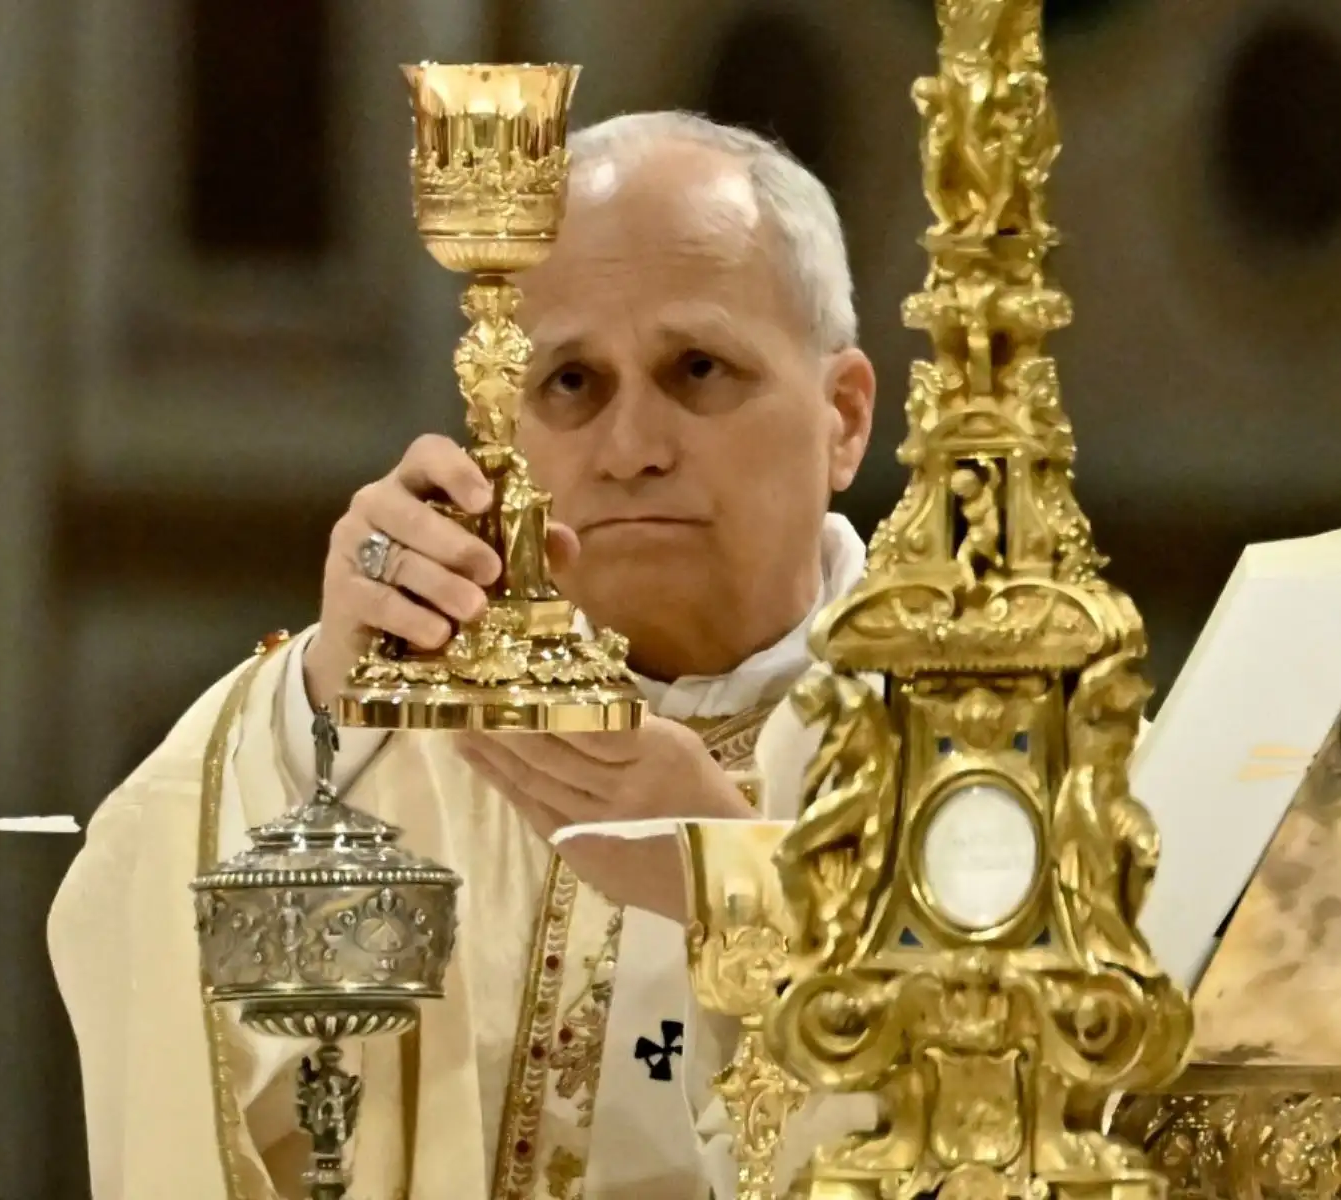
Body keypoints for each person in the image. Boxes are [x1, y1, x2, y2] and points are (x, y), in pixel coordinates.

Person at [48, 111, 882, 1200]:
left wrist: (734, 881)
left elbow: (1053, 1114)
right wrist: (321, 721)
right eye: (571, 385)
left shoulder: (996, 748)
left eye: (698, 368)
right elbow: (136, 939)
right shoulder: (414, 732)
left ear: (845, 417)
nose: (633, 449)